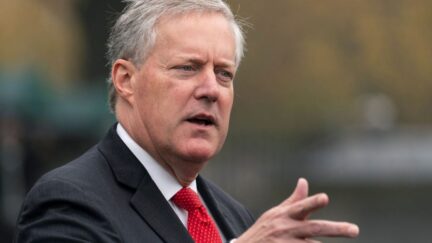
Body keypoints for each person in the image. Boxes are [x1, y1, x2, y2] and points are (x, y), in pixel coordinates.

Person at [15, 0, 359, 242]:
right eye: (187, 68)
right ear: (125, 80)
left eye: (224, 74)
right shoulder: (67, 202)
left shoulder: (235, 217)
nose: (211, 89)